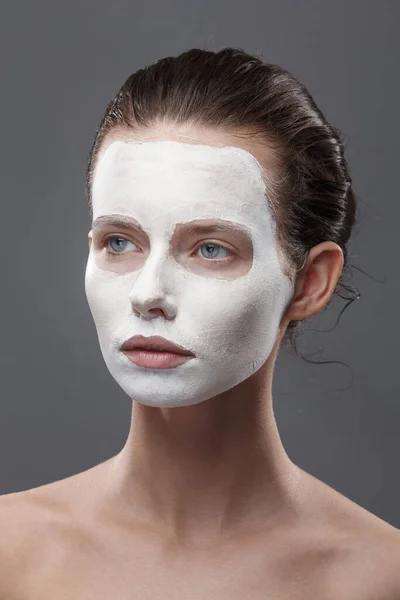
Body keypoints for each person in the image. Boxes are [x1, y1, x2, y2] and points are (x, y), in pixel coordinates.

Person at [0, 47, 399, 598]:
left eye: (211, 249)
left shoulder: (380, 577)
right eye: (119, 242)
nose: (147, 295)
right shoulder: (10, 555)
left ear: (310, 282)